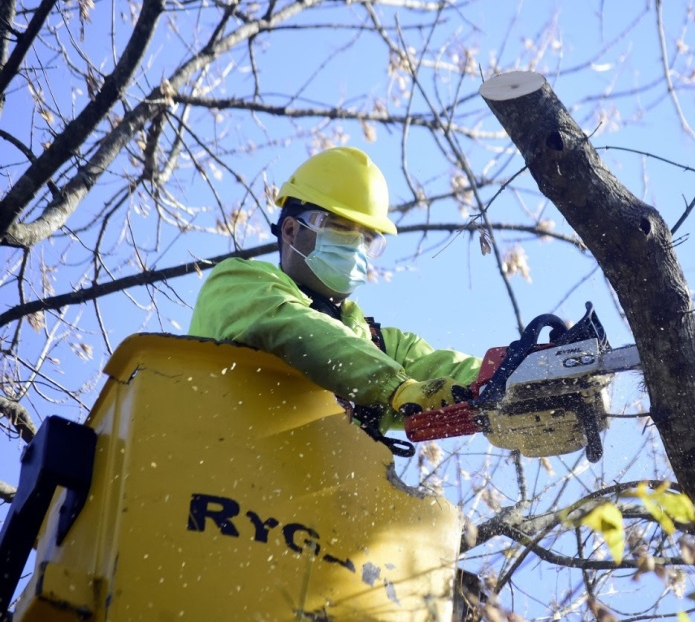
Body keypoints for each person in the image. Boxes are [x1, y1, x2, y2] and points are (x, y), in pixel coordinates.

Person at [188, 146, 481, 453]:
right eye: (340, 228)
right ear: (291, 230)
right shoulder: (236, 284)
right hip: (220, 469)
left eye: (367, 238)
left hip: (309, 494)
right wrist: (395, 388)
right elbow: (296, 327)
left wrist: (507, 380)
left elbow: (439, 369)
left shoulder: (373, 344)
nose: (355, 245)